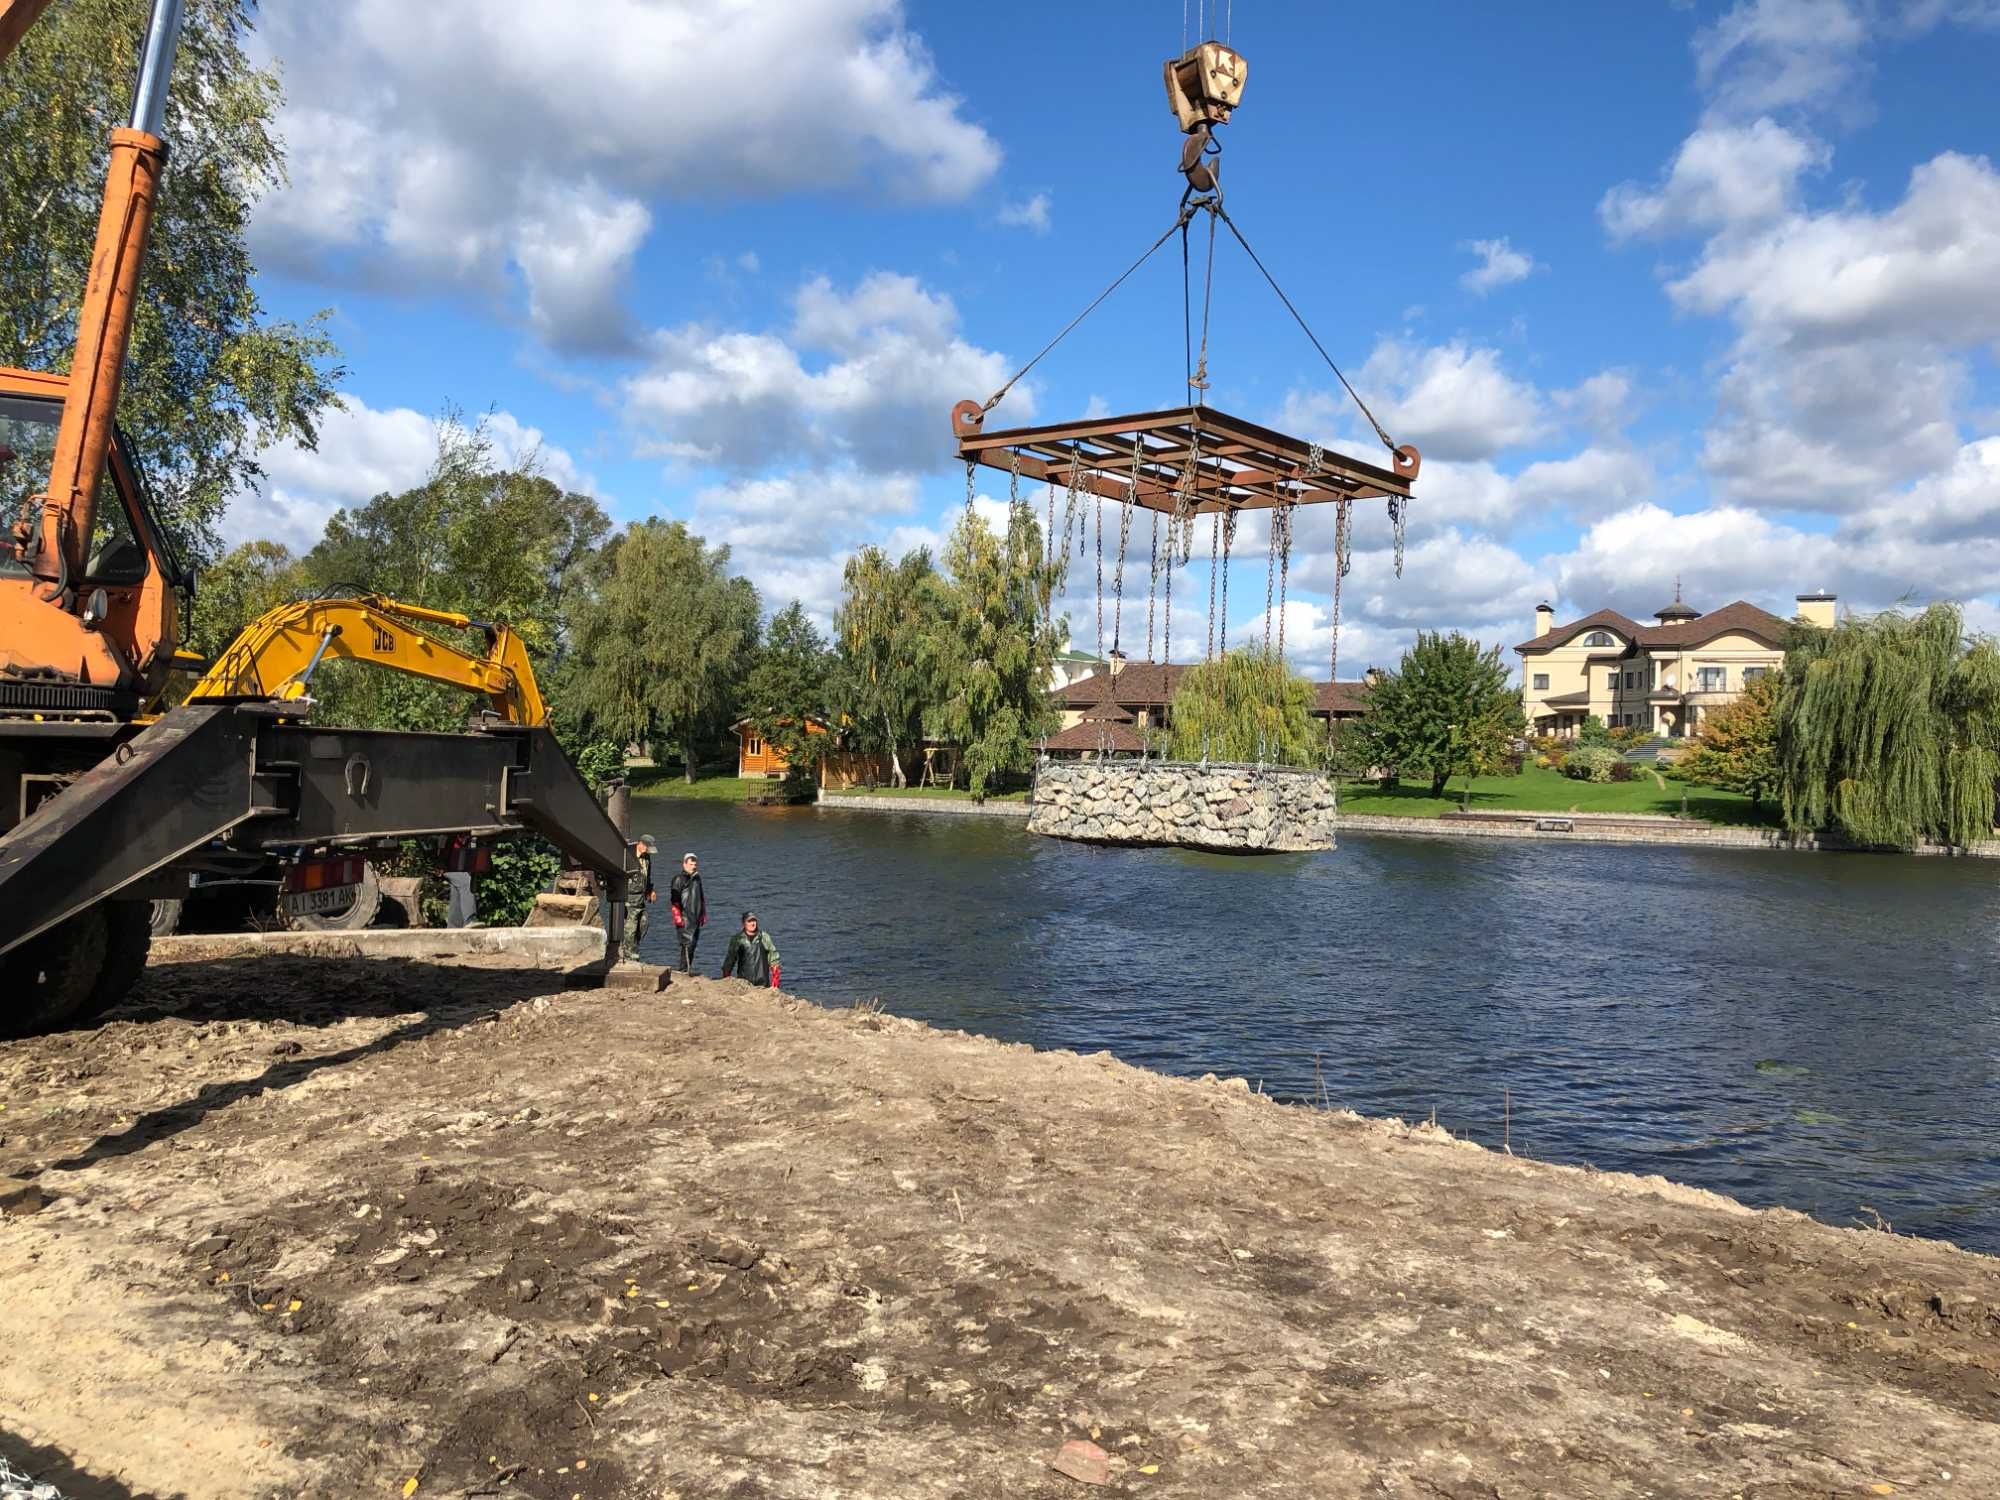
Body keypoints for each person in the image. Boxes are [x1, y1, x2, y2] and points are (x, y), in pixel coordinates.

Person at [719, 910, 780, 989]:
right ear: (744, 923)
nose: (752, 924)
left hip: (763, 985)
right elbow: (729, 961)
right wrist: (726, 980)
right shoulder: (737, 939)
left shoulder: (764, 937)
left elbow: (774, 960)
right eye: (749, 921)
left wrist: (775, 986)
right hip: (744, 985)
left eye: (754, 921)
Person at [668, 850, 706, 973]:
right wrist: (677, 915)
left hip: (696, 917)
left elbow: (701, 896)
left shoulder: (697, 878)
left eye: (695, 864)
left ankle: (687, 969)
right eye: (691, 864)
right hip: (684, 917)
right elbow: (674, 899)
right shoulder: (678, 879)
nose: (693, 867)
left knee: (693, 945)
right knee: (686, 945)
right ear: (684, 864)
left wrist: (703, 913)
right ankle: (683, 970)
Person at [620, 834, 657, 960]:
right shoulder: (627, 854)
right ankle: (629, 955)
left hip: (641, 898)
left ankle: (632, 948)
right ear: (640, 844)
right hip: (628, 898)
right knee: (630, 928)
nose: (648, 851)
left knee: (644, 923)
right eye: (647, 848)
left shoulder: (647, 858)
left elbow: (648, 876)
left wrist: (650, 890)